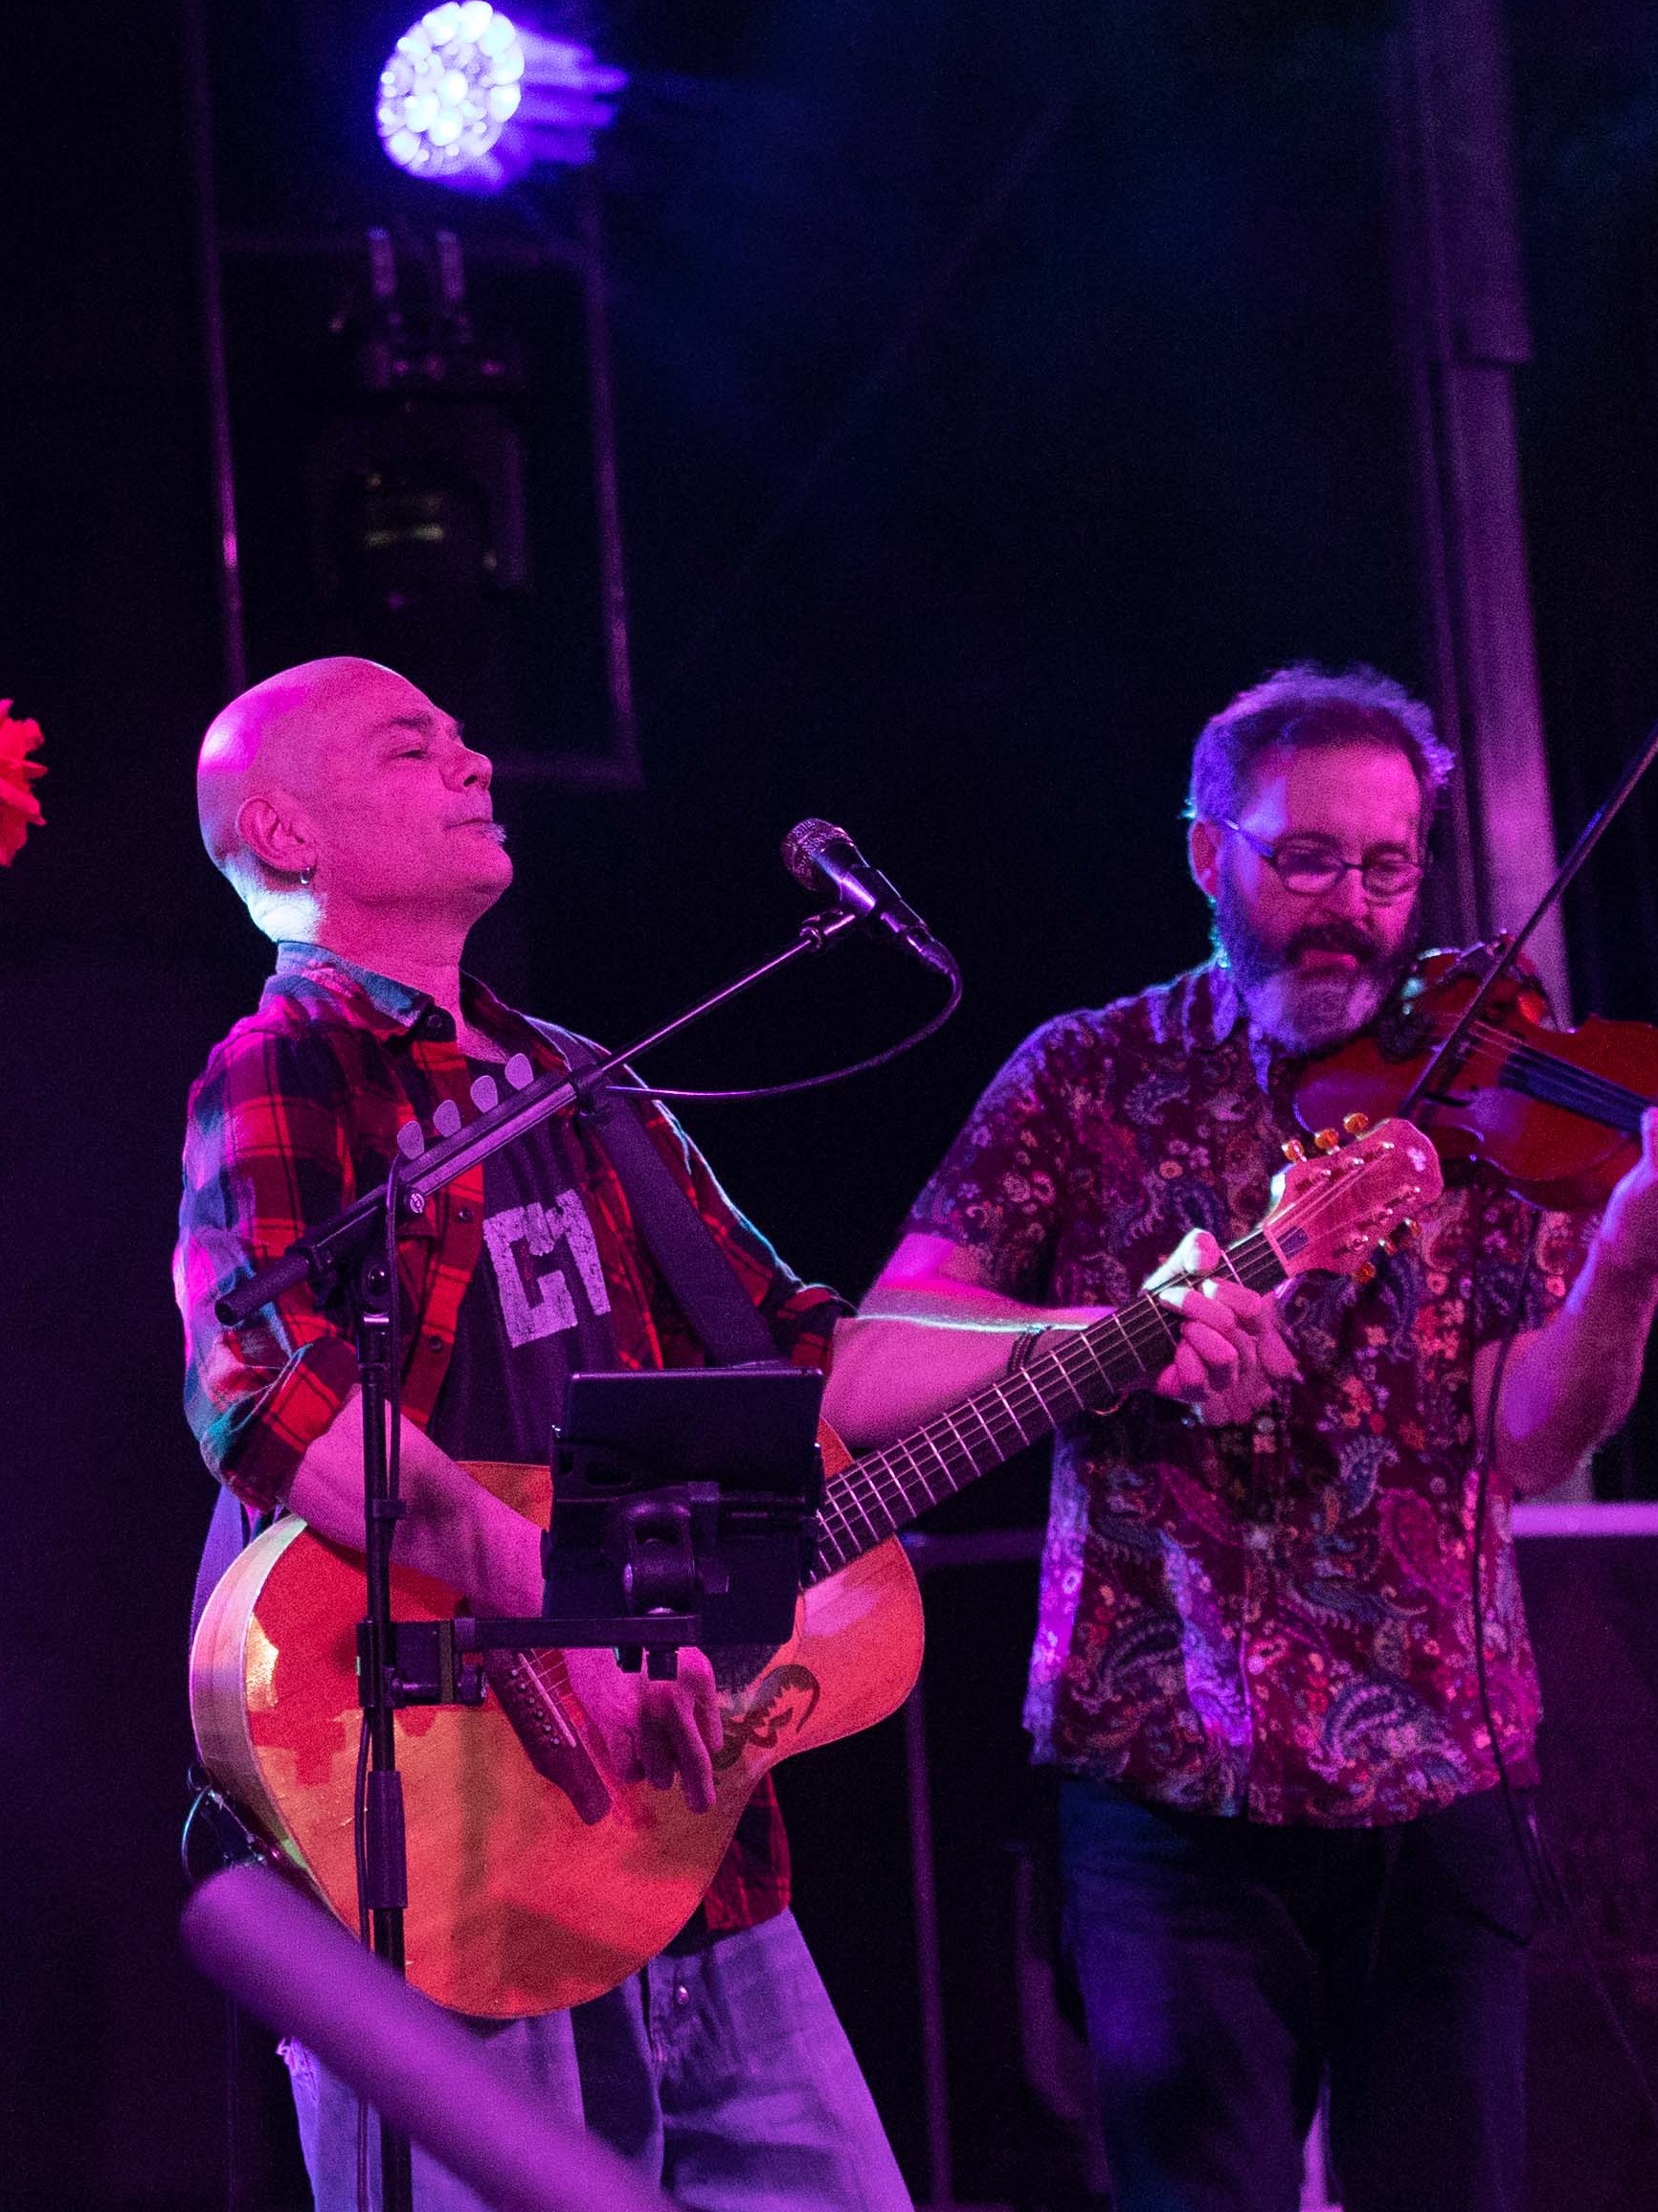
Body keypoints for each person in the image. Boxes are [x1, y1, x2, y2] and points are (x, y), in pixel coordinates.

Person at [175, 655, 1230, 2212]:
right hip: (440, 1831)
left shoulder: (588, 1090)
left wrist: (1110, 1331)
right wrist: (561, 1612)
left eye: (470, 739)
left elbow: (818, 1363)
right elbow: (264, 1381)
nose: (475, 764)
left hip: (681, 1846)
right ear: (285, 834)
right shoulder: (288, 1066)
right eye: (415, 747)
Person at [824, 663, 1658, 2212]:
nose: (1350, 907)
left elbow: (1526, 1441)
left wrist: (1634, 1261)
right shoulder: (1084, 1078)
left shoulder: (1488, 1099)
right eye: (1305, 859)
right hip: (1160, 1780)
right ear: (1208, 854)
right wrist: (1115, 1338)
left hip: (1443, 1772)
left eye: (1388, 868)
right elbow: (872, 1370)